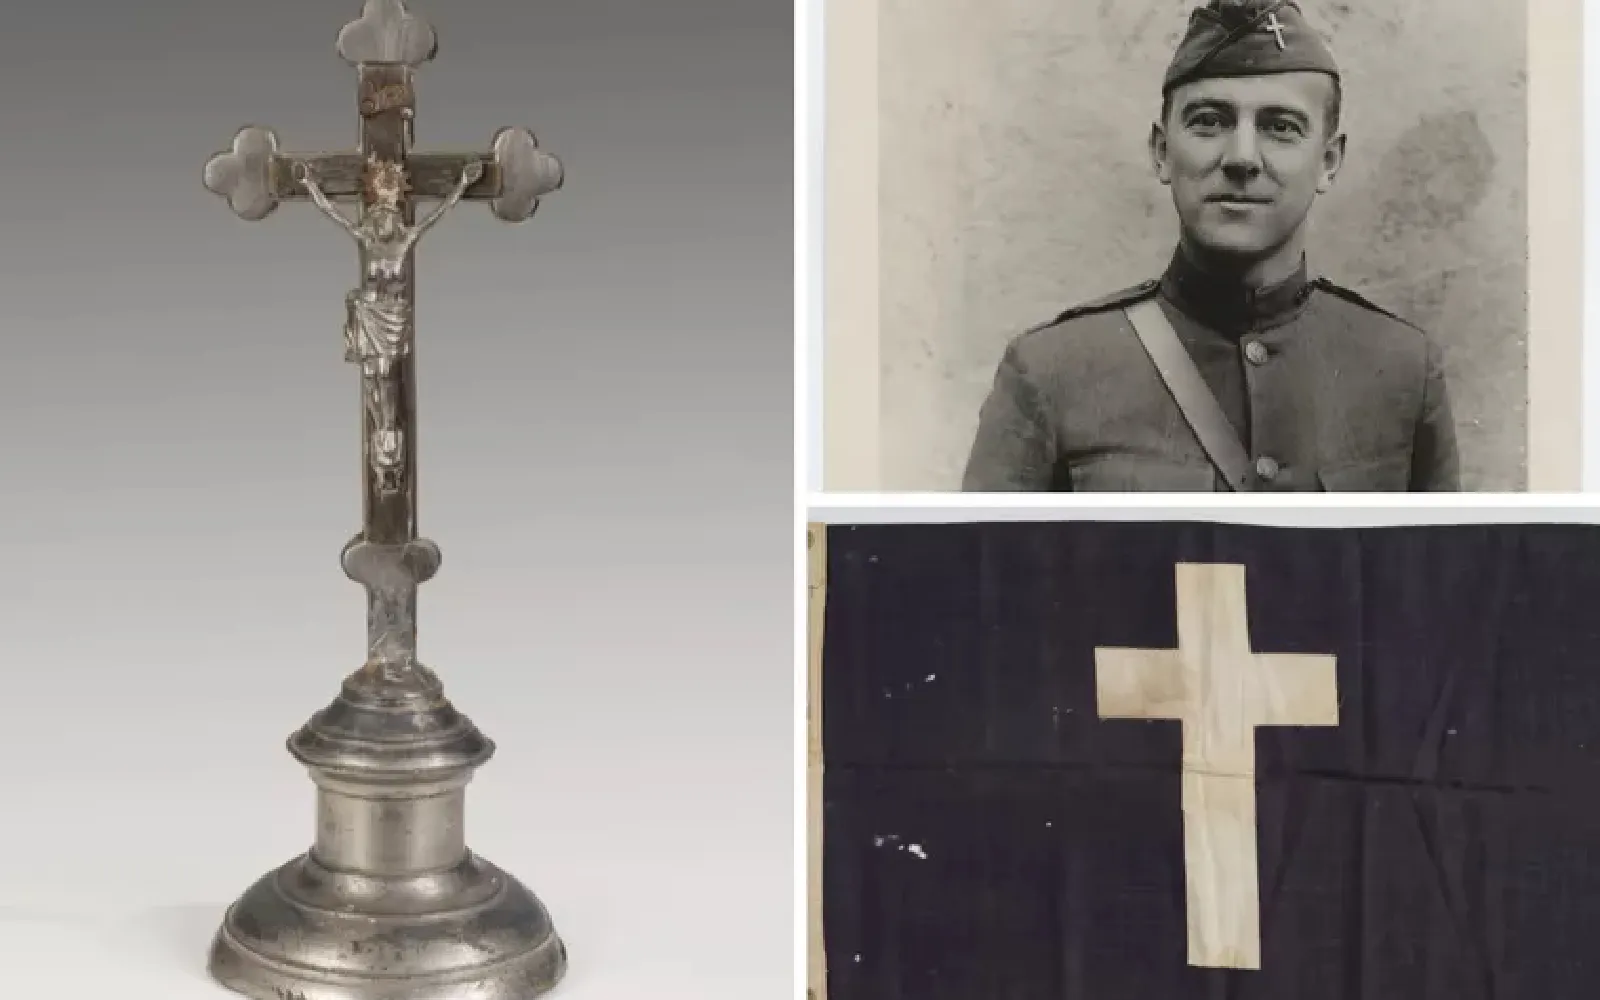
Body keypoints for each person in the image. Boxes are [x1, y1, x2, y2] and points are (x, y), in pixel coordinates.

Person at [961, 0, 1459, 492]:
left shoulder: (1402, 371)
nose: (1241, 157)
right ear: (1161, 152)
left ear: (1328, 161)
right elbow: (980, 571)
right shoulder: (1052, 372)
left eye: (1280, 127)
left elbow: (1442, 572)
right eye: (1208, 121)